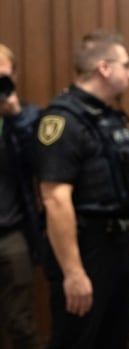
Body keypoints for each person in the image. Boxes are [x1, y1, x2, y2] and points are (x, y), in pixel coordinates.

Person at [35, 30, 129, 349]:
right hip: (86, 250)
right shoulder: (62, 120)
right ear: (104, 67)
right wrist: (73, 273)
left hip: (121, 248)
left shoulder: (114, 118)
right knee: (77, 339)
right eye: (125, 65)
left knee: (115, 336)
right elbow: (55, 200)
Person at [0, 43, 42, 349]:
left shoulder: (27, 117)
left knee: (21, 323)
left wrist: (14, 115)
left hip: (10, 232)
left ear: (15, 76)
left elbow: (42, 164)